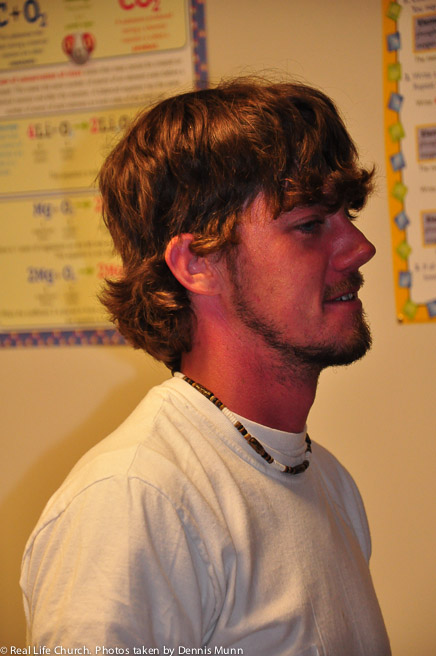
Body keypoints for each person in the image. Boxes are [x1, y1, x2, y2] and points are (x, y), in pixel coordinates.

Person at [21, 78, 391, 655]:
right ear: (197, 262)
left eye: (347, 215)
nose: (360, 247)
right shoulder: (135, 503)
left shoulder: (329, 481)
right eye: (310, 224)